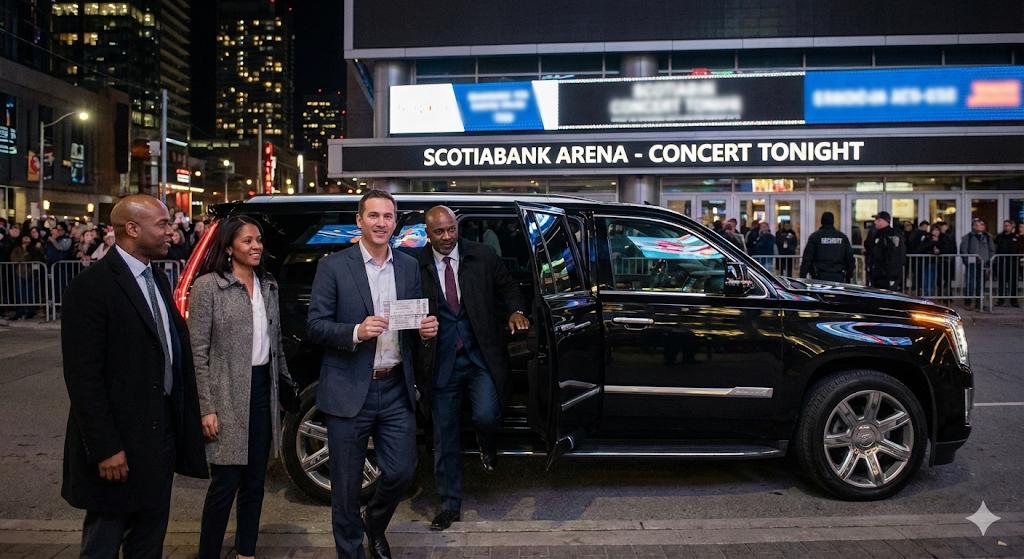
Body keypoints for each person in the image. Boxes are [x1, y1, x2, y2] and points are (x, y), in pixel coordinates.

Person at [60, 194, 208, 557]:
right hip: (118, 449)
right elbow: (84, 379)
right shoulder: (92, 287)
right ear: (131, 229)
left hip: (157, 443)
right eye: (162, 224)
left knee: (148, 542)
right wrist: (107, 448)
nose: (170, 233)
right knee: (104, 542)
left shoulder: (155, 277)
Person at [306, 190, 438, 559]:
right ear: (359, 220)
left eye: (388, 216)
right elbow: (315, 325)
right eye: (374, 216)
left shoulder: (409, 266)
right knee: (345, 486)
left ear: (396, 223)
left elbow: (411, 322)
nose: (381, 223)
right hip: (349, 388)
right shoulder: (334, 266)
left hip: (395, 385)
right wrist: (355, 332)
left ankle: (374, 523)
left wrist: (426, 329)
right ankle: (351, 552)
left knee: (400, 472)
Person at [416, 206, 528, 532]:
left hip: (480, 356)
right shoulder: (414, 265)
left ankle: (486, 441)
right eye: (440, 232)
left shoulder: (482, 255)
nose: (448, 236)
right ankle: (449, 505)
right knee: (444, 438)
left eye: (452, 229)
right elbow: (400, 308)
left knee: (487, 415)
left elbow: (508, 287)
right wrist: (416, 329)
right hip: (440, 364)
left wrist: (515, 311)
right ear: (428, 233)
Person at [188, 216, 293, 559]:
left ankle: (246, 551)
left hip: (262, 390)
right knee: (225, 483)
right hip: (226, 393)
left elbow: (275, 343)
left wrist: (284, 386)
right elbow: (197, 352)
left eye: (259, 240)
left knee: (255, 483)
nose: (256, 246)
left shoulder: (268, 285)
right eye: (247, 241)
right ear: (230, 246)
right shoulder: (209, 287)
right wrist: (206, 407)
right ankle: (209, 553)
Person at [799, 212, 855, 283]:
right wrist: (849, 276)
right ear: (833, 221)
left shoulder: (815, 237)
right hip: (838, 276)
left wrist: (802, 277)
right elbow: (850, 258)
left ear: (822, 221)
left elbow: (807, 259)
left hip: (818, 277)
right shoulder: (842, 237)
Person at [960, 218, 996, 310]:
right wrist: (967, 261)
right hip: (972, 264)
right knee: (970, 284)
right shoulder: (968, 237)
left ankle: (978, 303)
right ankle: (968, 303)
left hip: (983, 264)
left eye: (982, 224)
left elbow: (992, 250)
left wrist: (989, 261)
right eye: (977, 224)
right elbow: (963, 250)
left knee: (981, 284)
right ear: (973, 226)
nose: (980, 226)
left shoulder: (988, 237)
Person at [864, 211, 905, 290]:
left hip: (887, 277)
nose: (875, 222)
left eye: (878, 220)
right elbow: (869, 247)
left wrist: (892, 277)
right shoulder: (875, 233)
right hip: (876, 275)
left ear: (885, 221)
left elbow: (895, 256)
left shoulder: (892, 235)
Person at [993, 220, 1020, 307]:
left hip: (1013, 263)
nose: (1006, 227)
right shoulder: (1000, 236)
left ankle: (1014, 301)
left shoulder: (1016, 237)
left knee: (1013, 282)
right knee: (1002, 282)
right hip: (1001, 263)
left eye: (1007, 225)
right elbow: (995, 247)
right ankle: (1001, 300)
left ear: (1012, 227)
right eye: (1005, 225)